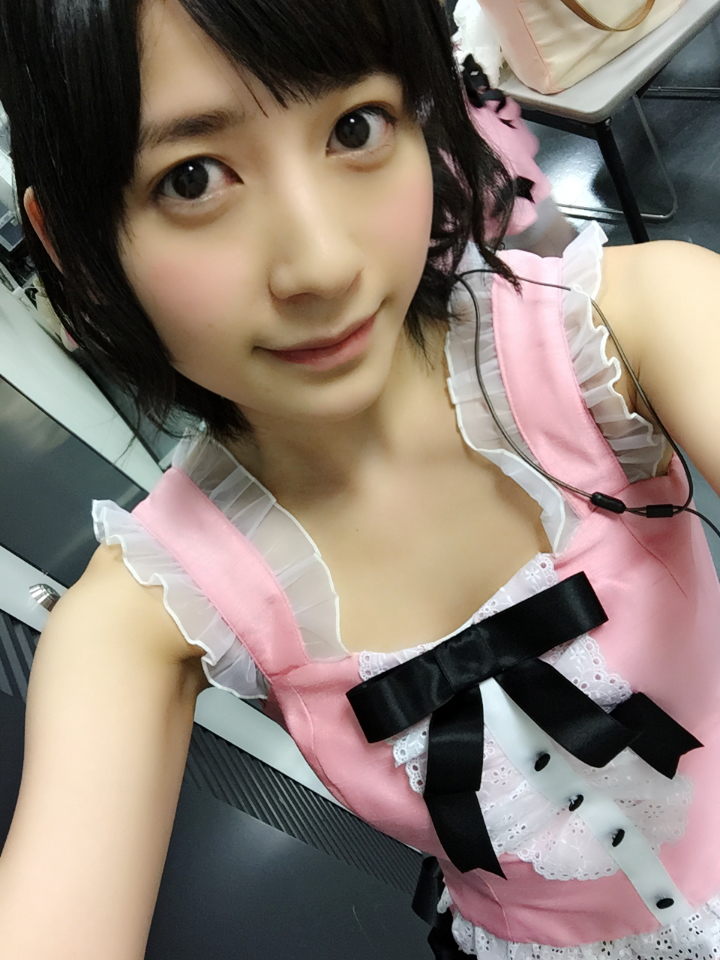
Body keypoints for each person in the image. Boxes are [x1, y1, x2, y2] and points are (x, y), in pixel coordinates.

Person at [1, 1, 720, 958]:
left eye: (355, 127)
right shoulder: (144, 614)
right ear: (72, 247)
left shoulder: (626, 328)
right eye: (193, 178)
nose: (323, 264)